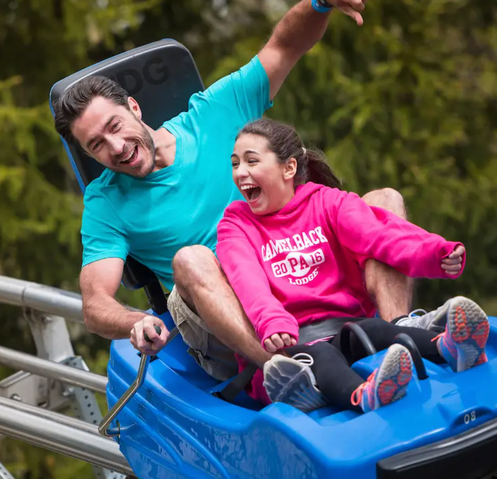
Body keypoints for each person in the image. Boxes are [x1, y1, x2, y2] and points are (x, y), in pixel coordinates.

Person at [53, 0, 415, 383]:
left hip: (297, 266)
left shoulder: (213, 113)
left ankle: (401, 336)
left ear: (134, 108)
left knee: (384, 202)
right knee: (190, 259)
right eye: (96, 145)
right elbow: (95, 304)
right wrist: (136, 320)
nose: (115, 147)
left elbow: (284, 47)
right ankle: (288, 370)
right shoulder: (105, 201)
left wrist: (319, 4)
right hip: (228, 317)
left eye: (114, 126)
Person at [216, 117, 490, 412]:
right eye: (235, 164)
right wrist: (272, 322)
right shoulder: (236, 224)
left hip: (345, 328)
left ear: (289, 168)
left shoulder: (326, 202)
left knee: (375, 327)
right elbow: (247, 281)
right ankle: (361, 395)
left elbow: (378, 236)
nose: (240, 173)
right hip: (292, 345)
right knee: (321, 355)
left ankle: (448, 347)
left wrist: (435, 253)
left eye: (251, 161)